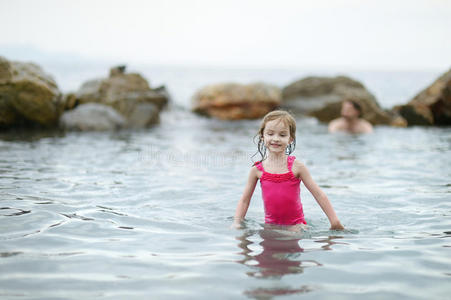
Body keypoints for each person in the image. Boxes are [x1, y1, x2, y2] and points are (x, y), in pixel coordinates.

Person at [233, 110, 344, 231]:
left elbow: (319, 194)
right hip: (270, 227)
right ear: (262, 137)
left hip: (296, 226)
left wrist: (335, 221)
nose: (275, 139)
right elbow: (244, 200)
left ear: (290, 139)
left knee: (290, 238)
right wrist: (237, 222)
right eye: (270, 134)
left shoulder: (297, 167)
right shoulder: (257, 170)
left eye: (282, 135)